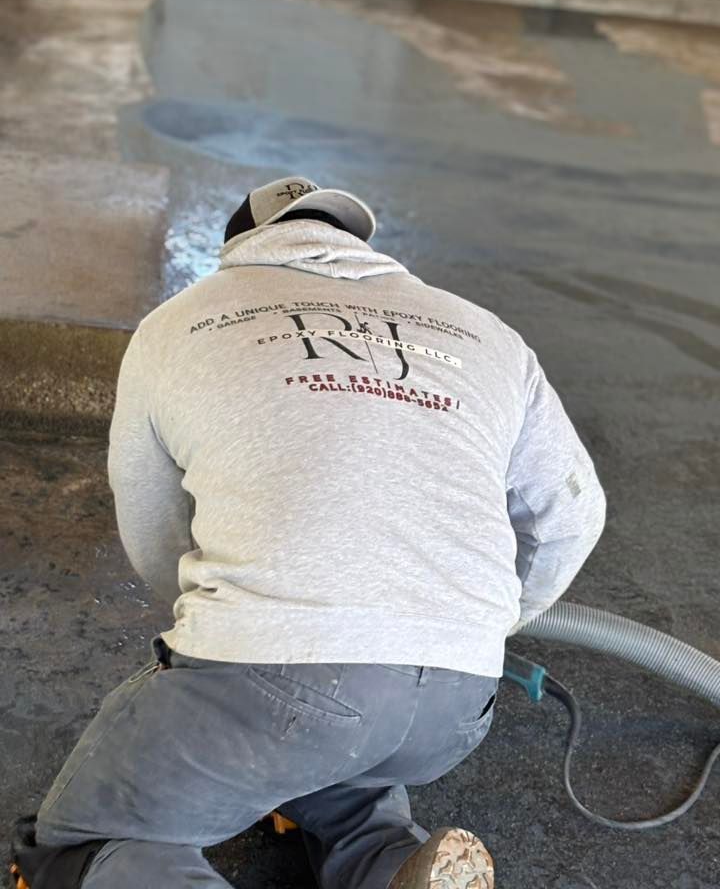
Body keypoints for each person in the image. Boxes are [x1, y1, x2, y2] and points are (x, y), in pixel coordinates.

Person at [11, 177, 606, 889]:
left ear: (239, 247)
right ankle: (388, 861)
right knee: (334, 752)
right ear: (359, 249)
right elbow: (572, 514)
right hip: (454, 706)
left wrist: (234, 624)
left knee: (78, 843)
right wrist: (476, 623)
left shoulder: (183, 321)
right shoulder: (483, 331)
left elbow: (153, 522)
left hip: (276, 680)